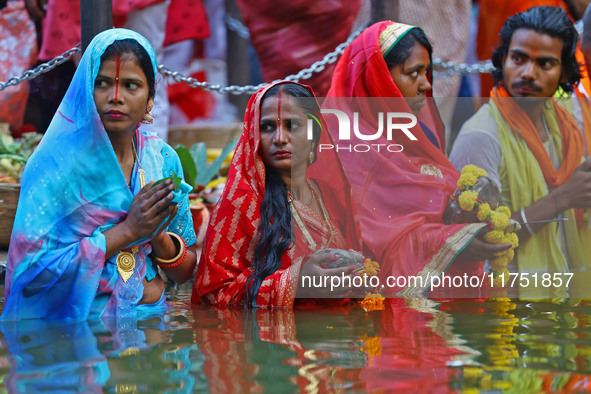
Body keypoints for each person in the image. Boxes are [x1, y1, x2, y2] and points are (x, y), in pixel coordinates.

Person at [1, 28, 197, 321]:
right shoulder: (54, 166)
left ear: (150, 99)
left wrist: (156, 234)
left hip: (153, 322)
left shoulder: (162, 160)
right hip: (78, 330)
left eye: (131, 85)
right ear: (85, 90)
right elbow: (30, 277)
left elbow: (184, 273)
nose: (115, 97)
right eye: (102, 83)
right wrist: (129, 231)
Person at [324, 21, 511, 297]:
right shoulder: (346, 149)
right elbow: (370, 246)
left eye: (426, 72)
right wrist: (451, 243)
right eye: (413, 73)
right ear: (378, 79)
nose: (425, 84)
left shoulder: (418, 136)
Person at [192, 81, 363, 308]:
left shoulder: (329, 196)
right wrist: (296, 284)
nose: (280, 138)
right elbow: (211, 296)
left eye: (292, 125)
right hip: (273, 339)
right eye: (267, 127)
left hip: (340, 335)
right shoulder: (241, 203)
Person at [450, 7, 591, 277]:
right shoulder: (481, 135)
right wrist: (563, 198)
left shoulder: (565, 125)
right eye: (518, 58)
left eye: (544, 64)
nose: (528, 73)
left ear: (564, 74)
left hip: (561, 293)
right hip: (504, 303)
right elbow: (474, 240)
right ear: (503, 61)